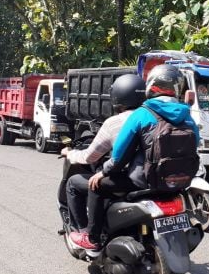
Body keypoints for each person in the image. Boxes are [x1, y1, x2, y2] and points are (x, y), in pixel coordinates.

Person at [85, 64, 200, 241]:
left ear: (151, 87)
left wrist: (103, 172)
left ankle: (91, 238)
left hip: (144, 182)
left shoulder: (141, 114)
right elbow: (195, 145)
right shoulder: (187, 116)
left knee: (96, 186)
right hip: (180, 182)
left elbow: (118, 157)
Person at [61, 74, 146, 251]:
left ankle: (89, 235)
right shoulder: (153, 116)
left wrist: (70, 154)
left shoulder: (115, 122)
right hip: (156, 177)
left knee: (76, 183)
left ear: (117, 97)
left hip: (131, 179)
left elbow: (89, 157)